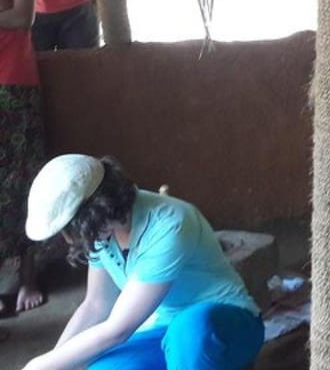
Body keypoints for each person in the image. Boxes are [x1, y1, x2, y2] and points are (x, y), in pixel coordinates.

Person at [21, 155, 264, 369]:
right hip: (160, 329)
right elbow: (96, 304)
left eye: (71, 228)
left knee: (190, 331)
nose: (68, 238)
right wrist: (54, 360)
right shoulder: (103, 230)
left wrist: (40, 365)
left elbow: (118, 329)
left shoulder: (170, 223)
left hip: (225, 324)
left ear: (96, 211)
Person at [0, 0, 46, 335]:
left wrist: (8, 11)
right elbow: (8, 13)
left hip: (12, 81)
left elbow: (22, 15)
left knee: (24, 179)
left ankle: (28, 275)